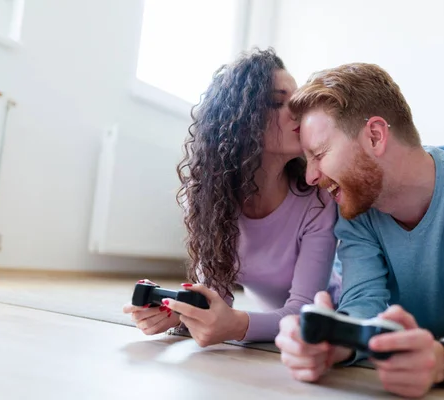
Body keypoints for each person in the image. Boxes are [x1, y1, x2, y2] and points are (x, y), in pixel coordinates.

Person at [274, 62, 444, 398]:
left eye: (319, 154)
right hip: (410, 320)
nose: (310, 177)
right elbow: (363, 304)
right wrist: (333, 346)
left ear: (375, 136)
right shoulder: (355, 203)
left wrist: (440, 360)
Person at [122, 48, 339, 346]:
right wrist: (177, 313)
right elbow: (217, 295)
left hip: (334, 313)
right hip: (275, 320)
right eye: (278, 102)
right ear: (241, 121)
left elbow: (303, 312)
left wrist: (234, 325)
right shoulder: (206, 197)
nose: (299, 110)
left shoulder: (318, 200)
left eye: (298, 98)